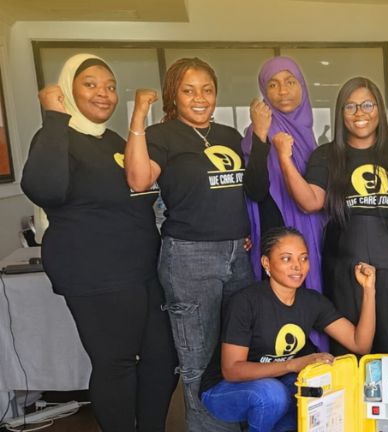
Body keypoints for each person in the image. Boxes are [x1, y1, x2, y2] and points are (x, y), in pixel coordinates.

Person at [21, 53, 178, 431]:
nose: (103, 94)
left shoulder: (113, 141)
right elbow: (45, 189)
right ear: (68, 89)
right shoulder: (55, 135)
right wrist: (53, 117)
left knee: (162, 358)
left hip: (142, 269)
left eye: (109, 86)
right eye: (90, 84)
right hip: (95, 273)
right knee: (117, 363)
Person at [124, 57, 254, 431]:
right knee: (198, 360)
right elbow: (137, 180)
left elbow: (237, 193)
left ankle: (237, 422)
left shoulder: (229, 135)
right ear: (174, 96)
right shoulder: (163, 136)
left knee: (237, 351)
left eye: (207, 90)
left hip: (237, 255)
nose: (200, 98)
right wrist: (139, 116)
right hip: (190, 258)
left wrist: (240, 229)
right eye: (188, 90)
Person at [278, 77, 388, 354]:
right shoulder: (327, 155)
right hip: (343, 260)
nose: (360, 113)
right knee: (350, 347)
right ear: (340, 113)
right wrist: (284, 159)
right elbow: (310, 202)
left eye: (367, 104)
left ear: (379, 109)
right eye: (350, 106)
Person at [199, 227, 377, 432]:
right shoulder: (246, 302)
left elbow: (360, 344)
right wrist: (293, 364)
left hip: (279, 383)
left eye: (303, 258)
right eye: (286, 259)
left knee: (308, 388)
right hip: (224, 390)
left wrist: (369, 289)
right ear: (266, 263)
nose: (297, 267)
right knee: (273, 394)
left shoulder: (312, 302)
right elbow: (231, 370)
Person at [242, 56, 328, 352]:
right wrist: (261, 135)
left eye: (290, 82)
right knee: (279, 308)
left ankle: (314, 365)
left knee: (309, 299)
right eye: (273, 84)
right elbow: (254, 189)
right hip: (274, 229)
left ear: (302, 87)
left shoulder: (309, 135)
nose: (283, 91)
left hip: (310, 232)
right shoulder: (255, 133)